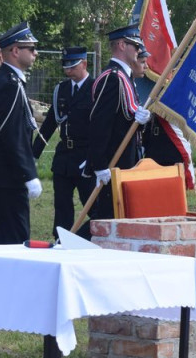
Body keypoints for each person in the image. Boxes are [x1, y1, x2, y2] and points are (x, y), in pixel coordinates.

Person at [0, 22, 43, 244]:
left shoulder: (10, 80)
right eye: (31, 49)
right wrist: (28, 174)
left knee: (11, 234)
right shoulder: (9, 84)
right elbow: (12, 135)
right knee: (14, 236)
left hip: (5, 171)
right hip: (7, 172)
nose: (35, 53)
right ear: (15, 51)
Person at [84, 25, 152, 232]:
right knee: (106, 220)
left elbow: (122, 121)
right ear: (122, 45)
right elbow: (99, 124)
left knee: (116, 219)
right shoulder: (112, 78)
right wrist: (100, 165)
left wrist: (138, 122)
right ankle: (66, 247)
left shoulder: (126, 77)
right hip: (112, 164)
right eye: (135, 46)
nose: (139, 51)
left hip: (124, 161)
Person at [32, 46, 93, 237]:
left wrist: (97, 158)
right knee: (62, 207)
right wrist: (33, 154)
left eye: (72, 67)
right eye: (66, 67)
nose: (68, 71)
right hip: (64, 158)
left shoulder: (96, 88)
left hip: (86, 157)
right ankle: (61, 240)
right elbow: (49, 124)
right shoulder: (62, 89)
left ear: (84, 64)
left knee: (94, 208)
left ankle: (84, 238)